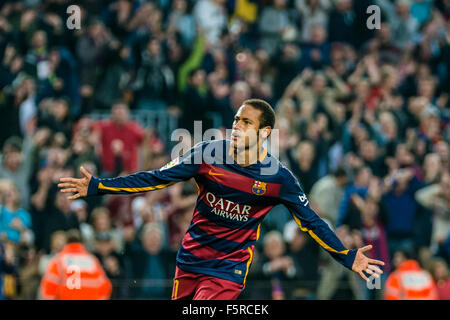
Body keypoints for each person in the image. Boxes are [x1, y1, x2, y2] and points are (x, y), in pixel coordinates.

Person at [59, 99, 384, 300]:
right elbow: (154, 178)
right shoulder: (207, 155)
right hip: (190, 260)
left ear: (265, 133)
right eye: (236, 120)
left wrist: (346, 255)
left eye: (246, 122)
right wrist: (98, 186)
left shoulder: (278, 178)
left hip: (228, 267)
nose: (237, 126)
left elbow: (310, 221)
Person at [39, 229, 112, 300]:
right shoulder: (92, 261)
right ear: (82, 242)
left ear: (66, 242)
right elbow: (105, 287)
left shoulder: (58, 260)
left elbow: (48, 289)